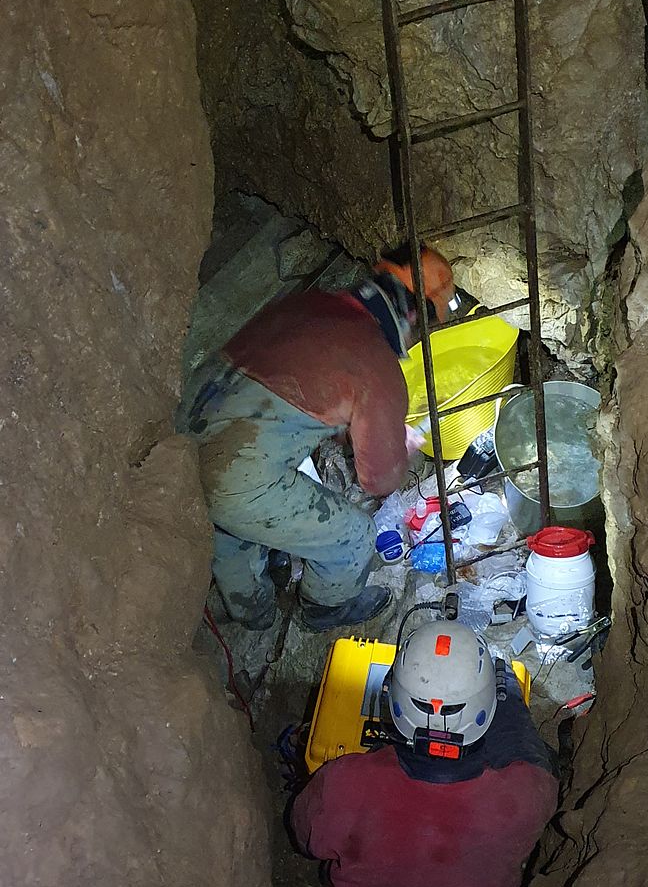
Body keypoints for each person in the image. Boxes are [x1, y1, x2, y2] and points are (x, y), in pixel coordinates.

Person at [182, 246, 455, 633]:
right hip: (236, 475)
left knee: (228, 525)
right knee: (356, 536)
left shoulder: (308, 304)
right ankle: (323, 608)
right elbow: (378, 479)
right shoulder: (377, 365)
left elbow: (303, 392)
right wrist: (399, 447)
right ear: (414, 314)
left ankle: (252, 612)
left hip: (183, 435)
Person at [291, 620, 559, 887]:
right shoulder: (529, 794)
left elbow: (304, 838)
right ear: (487, 708)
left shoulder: (344, 781)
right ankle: (506, 687)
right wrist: (507, 695)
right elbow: (522, 746)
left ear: (392, 699)